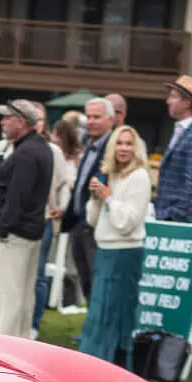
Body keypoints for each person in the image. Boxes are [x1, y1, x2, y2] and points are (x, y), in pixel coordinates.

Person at [78, 126, 152, 364]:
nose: (123, 148)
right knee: (99, 311)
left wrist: (109, 197)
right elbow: (92, 219)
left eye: (129, 144)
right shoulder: (112, 175)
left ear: (136, 148)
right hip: (105, 251)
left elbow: (127, 223)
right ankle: (94, 360)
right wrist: (96, 197)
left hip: (125, 252)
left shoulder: (139, 177)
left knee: (116, 313)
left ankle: (114, 361)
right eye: (119, 143)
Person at [0, 99, 54, 339]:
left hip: (13, 236)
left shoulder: (27, 152)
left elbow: (18, 195)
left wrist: (3, 228)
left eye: (7, 118)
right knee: (20, 299)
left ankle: (1, 353)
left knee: (4, 300)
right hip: (26, 233)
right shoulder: (37, 147)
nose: (2, 122)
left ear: (21, 122)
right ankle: (17, 349)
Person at [61, 97, 116, 307]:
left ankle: (98, 333)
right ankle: (91, 330)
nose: (91, 121)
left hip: (96, 226)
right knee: (85, 280)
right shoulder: (89, 144)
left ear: (110, 120)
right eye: (89, 117)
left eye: (97, 117)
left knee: (97, 281)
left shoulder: (114, 147)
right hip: (78, 223)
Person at [34, 113, 84, 333]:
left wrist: (62, 205)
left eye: (57, 135)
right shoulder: (52, 153)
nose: (54, 138)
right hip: (54, 213)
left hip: (66, 214)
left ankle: (62, 301)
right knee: (48, 264)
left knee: (58, 265)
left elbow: (70, 183)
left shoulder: (73, 158)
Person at [153, 74, 192, 224]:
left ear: (187, 103)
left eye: (173, 97)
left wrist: (172, 216)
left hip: (178, 223)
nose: (168, 101)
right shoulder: (183, 132)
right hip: (166, 218)